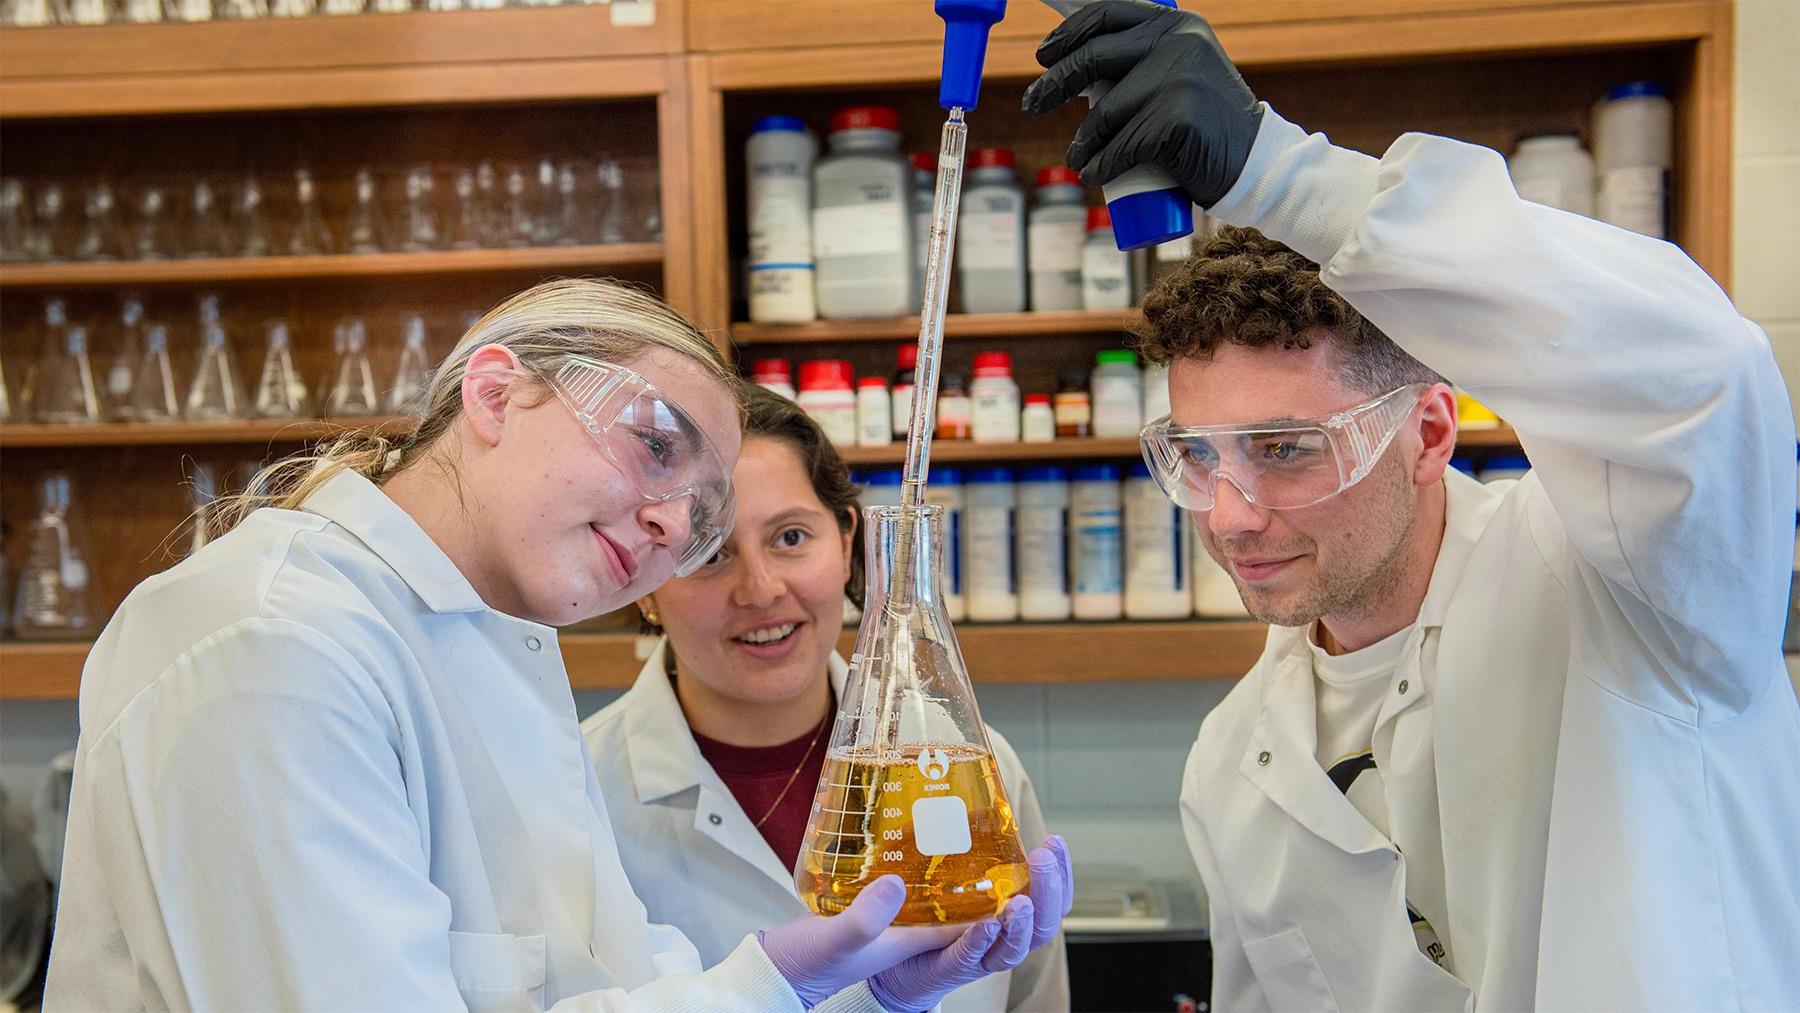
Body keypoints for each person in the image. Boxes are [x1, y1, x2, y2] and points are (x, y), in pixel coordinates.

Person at [1025, 3, 1800, 1010]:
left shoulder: (1632, 591)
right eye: (1195, 456)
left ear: (1430, 431)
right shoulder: (1230, 762)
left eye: (1286, 449)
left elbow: (1704, 375)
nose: (1229, 515)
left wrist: (1279, 175)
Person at [43, 279, 1069, 1011]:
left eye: (700, 512)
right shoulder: (271, 645)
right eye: (656, 444)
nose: (675, 525)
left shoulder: (499, 663)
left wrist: (851, 992)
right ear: (495, 394)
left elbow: (620, 990)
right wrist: (774, 982)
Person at [582, 385, 1071, 1012]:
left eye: (790, 537)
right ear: (645, 581)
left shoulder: (968, 769)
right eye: (708, 552)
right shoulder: (580, 793)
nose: (759, 591)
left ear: (846, 542)